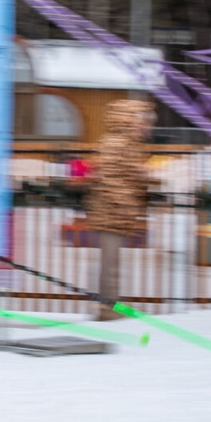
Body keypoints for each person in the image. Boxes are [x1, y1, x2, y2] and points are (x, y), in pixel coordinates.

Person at [85, 99, 156, 320]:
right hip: (110, 212)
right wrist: (124, 202)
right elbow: (110, 177)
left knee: (112, 262)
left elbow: (129, 174)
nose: (146, 126)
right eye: (141, 121)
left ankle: (110, 305)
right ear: (128, 121)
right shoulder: (116, 143)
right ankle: (108, 308)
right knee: (110, 262)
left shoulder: (128, 144)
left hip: (117, 212)